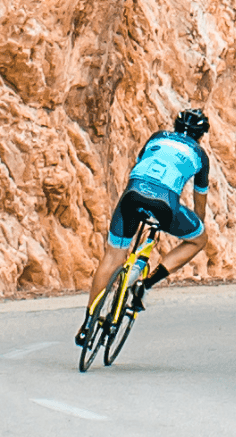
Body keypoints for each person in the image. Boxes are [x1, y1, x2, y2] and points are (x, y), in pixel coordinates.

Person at [75, 108, 210, 344]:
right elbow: (200, 201)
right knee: (199, 238)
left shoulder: (157, 137)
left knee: (112, 257)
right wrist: (197, 222)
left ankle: (87, 325)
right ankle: (145, 284)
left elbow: (140, 164)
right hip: (165, 204)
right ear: (201, 135)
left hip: (132, 195)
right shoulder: (200, 155)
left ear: (175, 126)